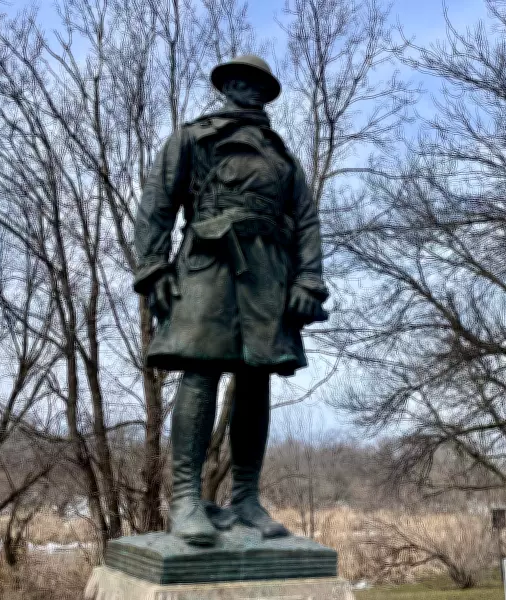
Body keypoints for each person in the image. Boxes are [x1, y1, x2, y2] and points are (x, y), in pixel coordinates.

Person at [133, 55, 329, 546]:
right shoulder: (192, 137)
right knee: (199, 372)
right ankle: (185, 499)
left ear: (266, 92)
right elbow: (156, 206)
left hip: (268, 276)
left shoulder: (283, 158)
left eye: (256, 82)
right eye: (237, 80)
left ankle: (245, 497)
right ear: (225, 87)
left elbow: (305, 222)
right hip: (208, 265)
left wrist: (308, 282)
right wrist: (153, 268)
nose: (246, 87)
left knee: (256, 379)